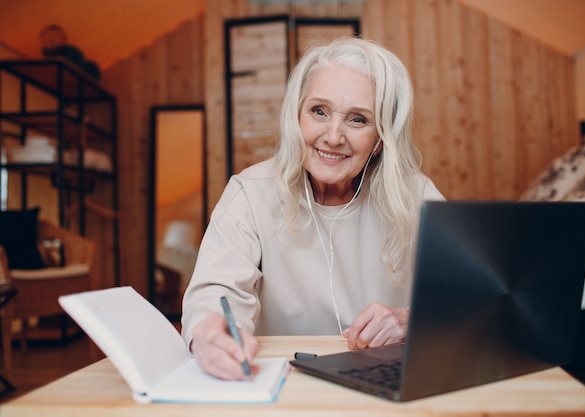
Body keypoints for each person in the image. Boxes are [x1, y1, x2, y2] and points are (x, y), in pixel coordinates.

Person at [181, 37, 445, 380]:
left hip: (388, 382)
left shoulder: (416, 194)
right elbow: (216, 293)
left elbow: (474, 297)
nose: (333, 136)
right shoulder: (249, 193)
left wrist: (411, 320)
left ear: (380, 139)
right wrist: (209, 332)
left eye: (358, 120)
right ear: (296, 116)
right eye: (319, 111)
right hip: (283, 380)